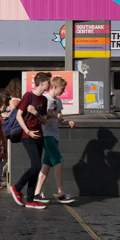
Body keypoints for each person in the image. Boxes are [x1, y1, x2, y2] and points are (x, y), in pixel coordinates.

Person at [9, 72, 52, 210]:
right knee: (36, 166)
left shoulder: (44, 100)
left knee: (36, 166)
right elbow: (19, 116)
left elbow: (44, 121)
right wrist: (27, 131)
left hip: (39, 135)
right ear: (41, 83)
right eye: (48, 82)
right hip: (28, 136)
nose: (49, 84)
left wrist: (35, 113)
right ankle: (17, 187)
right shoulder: (29, 96)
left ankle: (30, 199)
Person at [32, 76, 76, 205]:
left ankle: (37, 193)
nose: (63, 91)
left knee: (47, 165)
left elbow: (59, 120)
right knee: (59, 162)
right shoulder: (46, 100)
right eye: (62, 88)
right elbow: (42, 117)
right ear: (55, 87)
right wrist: (54, 115)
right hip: (47, 135)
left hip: (54, 135)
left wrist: (67, 122)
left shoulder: (58, 102)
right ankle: (61, 192)